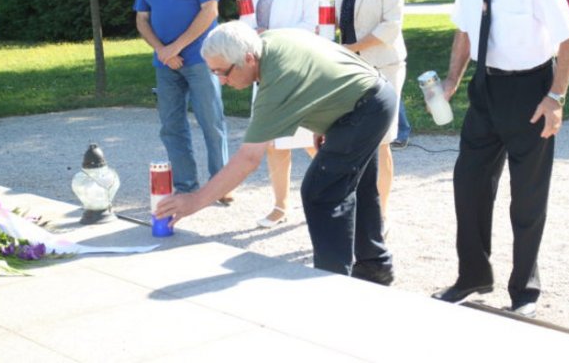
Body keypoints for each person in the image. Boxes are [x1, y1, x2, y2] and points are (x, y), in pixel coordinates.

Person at [155, 21, 397, 284]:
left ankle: (332, 283)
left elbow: (249, 159)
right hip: (368, 96)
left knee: (322, 192)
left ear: (248, 59)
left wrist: (195, 201)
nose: (221, 81)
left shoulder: (275, 81)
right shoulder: (264, 42)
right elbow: (320, 66)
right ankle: (375, 267)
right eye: (214, 73)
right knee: (357, 185)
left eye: (222, 72)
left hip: (365, 107)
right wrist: (331, 116)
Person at [431, 0, 569, 318]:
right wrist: (452, 81)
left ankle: (525, 291)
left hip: (531, 89)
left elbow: (568, 37)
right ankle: (473, 276)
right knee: (469, 181)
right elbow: (464, 30)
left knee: (527, 195)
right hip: (486, 87)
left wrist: (556, 97)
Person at [243, 0, 329, 228]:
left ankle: (336, 190)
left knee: (308, 137)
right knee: (273, 141)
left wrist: (273, 35)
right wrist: (253, 35)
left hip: (297, 67)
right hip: (263, 69)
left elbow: (315, 23)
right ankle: (280, 206)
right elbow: (245, 18)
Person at [133, 0, 228, 195]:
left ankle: (221, 185)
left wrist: (175, 47)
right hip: (165, 63)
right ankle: (186, 186)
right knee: (171, 126)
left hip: (201, 59)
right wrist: (163, 51)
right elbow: (142, 19)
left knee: (211, 121)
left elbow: (209, 11)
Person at [332, 0, 407, 228]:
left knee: (380, 141)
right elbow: (340, 14)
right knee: (348, 137)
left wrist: (352, 48)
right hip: (348, 64)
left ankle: (381, 213)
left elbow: (391, 25)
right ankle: (353, 203)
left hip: (382, 65)